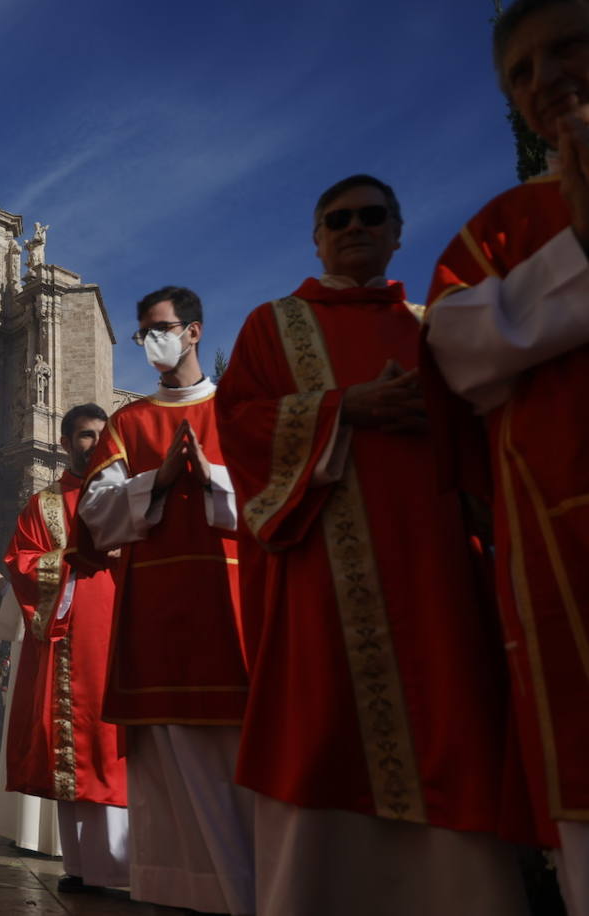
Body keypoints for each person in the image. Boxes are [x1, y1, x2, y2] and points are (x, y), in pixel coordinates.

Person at [214, 175, 528, 915]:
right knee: (322, 732)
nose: (354, 227)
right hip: (323, 572)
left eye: (371, 216)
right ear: (316, 237)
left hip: (434, 570)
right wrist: (344, 407)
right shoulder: (273, 324)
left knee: (447, 719)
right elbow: (241, 425)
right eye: (337, 219)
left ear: (397, 230)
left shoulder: (435, 324)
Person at [425, 3, 589, 911]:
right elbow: (455, 344)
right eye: (520, 73)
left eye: (568, 48)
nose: (543, 82)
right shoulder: (503, 224)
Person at [79, 289, 254, 913]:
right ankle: (180, 893)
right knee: (167, 766)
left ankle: (250, 892)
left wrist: (213, 480)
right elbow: (95, 517)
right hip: (155, 613)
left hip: (234, 608)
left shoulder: (237, 408)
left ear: (194, 331)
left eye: (161, 329)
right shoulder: (129, 423)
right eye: (142, 334)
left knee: (243, 760)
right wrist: (160, 481)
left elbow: (277, 490)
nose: (152, 342)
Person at [2, 406, 127, 892]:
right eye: (82, 436)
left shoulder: (126, 495)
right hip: (68, 640)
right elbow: (22, 563)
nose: (91, 444)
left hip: (120, 636)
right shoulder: (43, 505)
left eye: (99, 436)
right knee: (74, 747)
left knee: (115, 747)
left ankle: (121, 868)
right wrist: (76, 556)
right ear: (63, 441)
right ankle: (81, 866)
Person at [0, 569, 63, 858]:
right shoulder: (41, 521)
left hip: (86, 615)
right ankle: (30, 830)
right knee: (33, 722)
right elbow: (26, 562)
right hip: (41, 623)